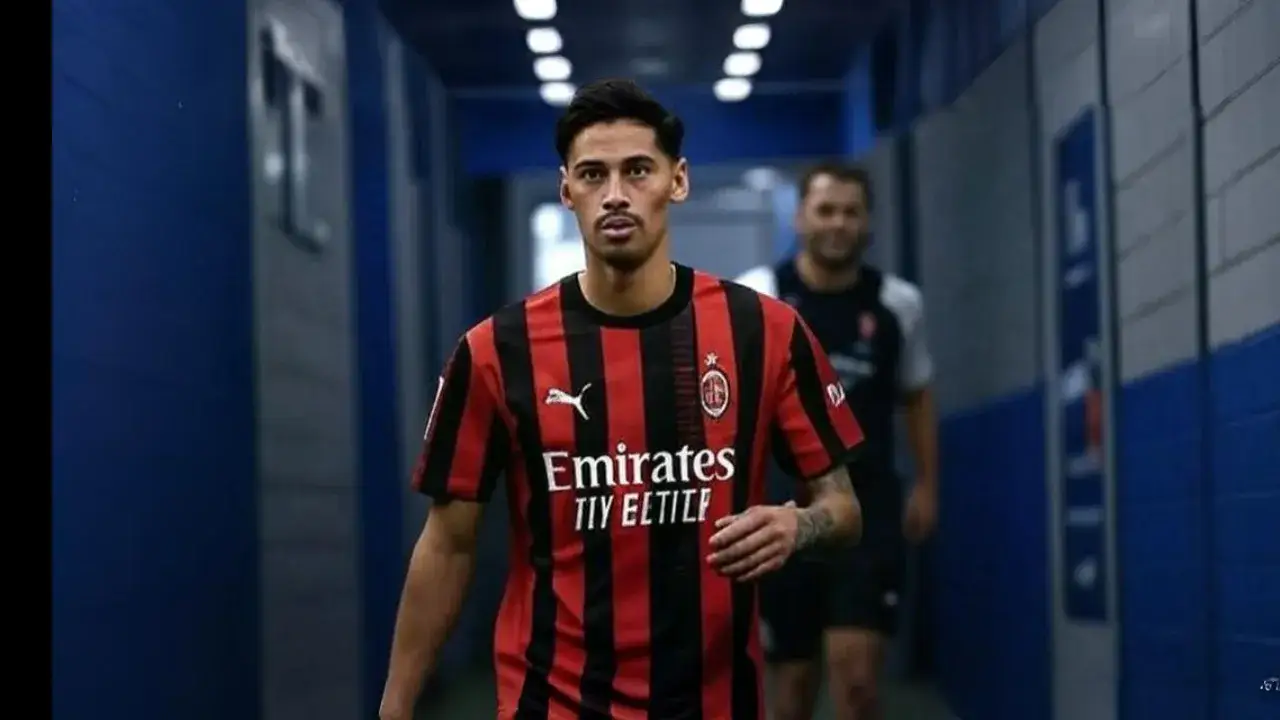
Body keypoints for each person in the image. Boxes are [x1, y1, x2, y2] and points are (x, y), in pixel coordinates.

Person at [378, 80, 868, 720]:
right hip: (551, 701)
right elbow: (448, 544)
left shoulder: (766, 332)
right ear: (566, 191)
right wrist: (395, 706)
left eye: (638, 170)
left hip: (715, 701)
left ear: (678, 181)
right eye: (592, 174)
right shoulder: (496, 351)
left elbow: (844, 509)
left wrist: (798, 525)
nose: (615, 194)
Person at [736, 161, 939, 720]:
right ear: (801, 217)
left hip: (868, 508)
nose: (838, 223)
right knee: (792, 688)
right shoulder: (759, 297)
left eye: (851, 212)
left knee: (857, 684)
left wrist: (927, 484)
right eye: (826, 210)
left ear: (868, 222)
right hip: (781, 510)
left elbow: (917, 393)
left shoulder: (898, 304)